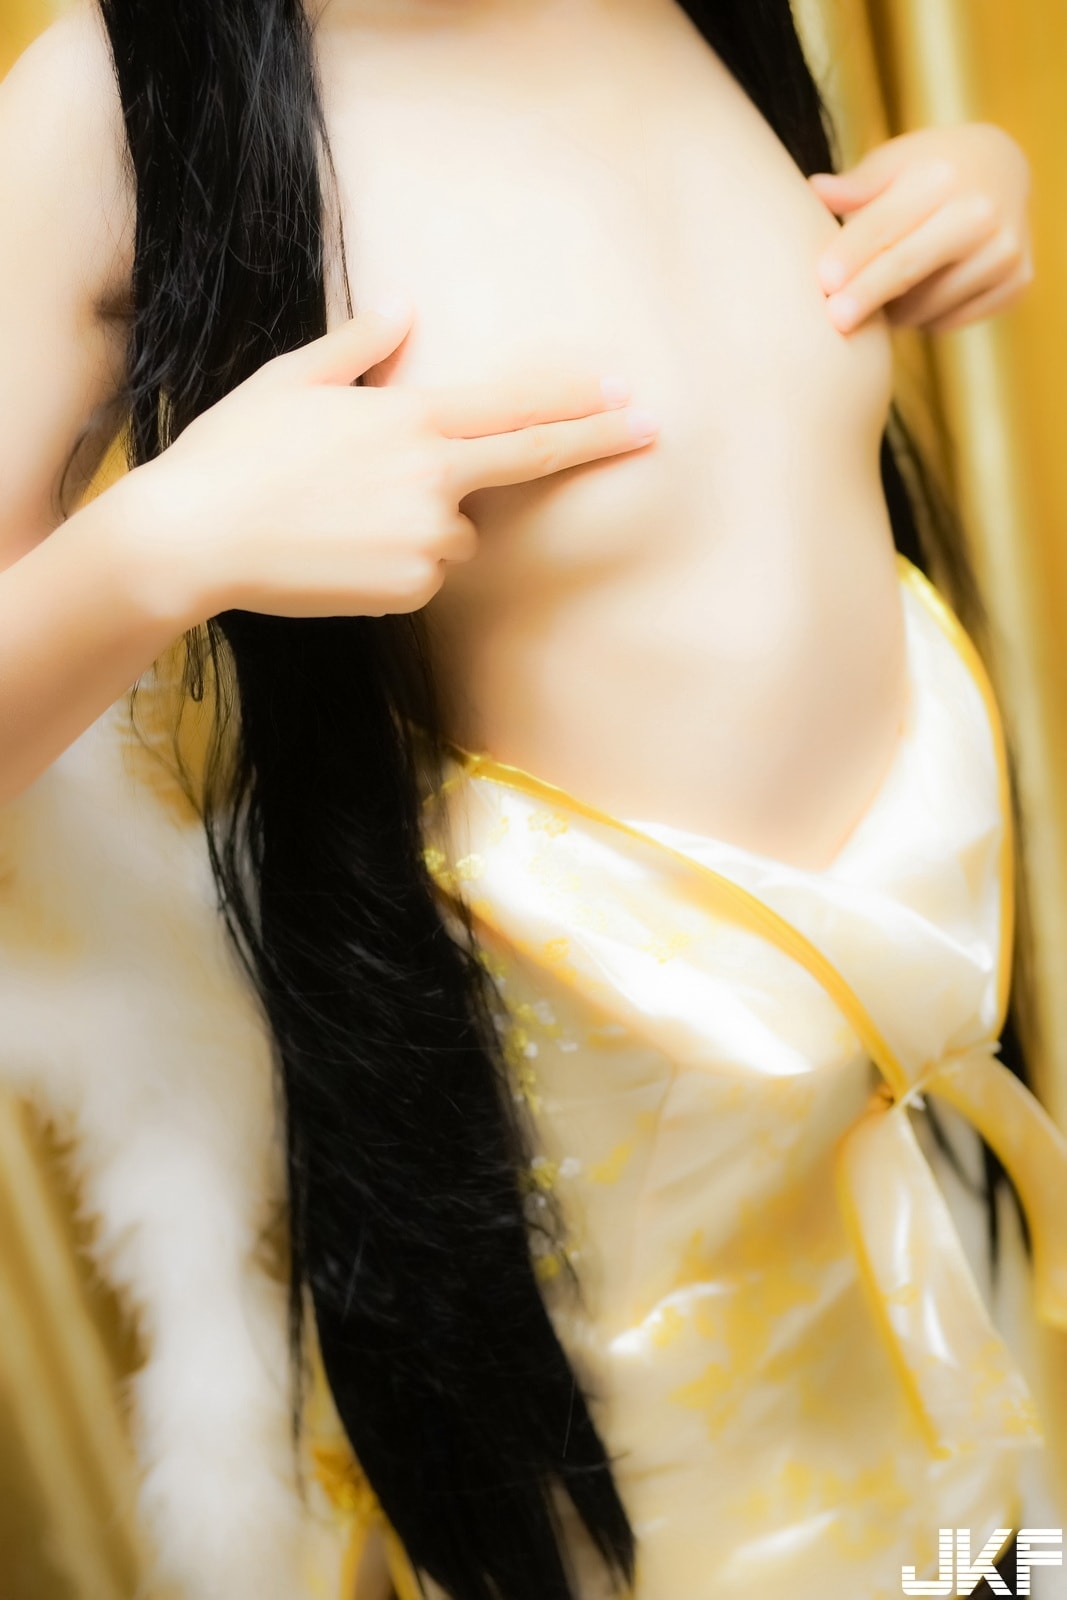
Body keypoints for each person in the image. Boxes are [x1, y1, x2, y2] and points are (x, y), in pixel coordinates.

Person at [0, 1, 1061, 1598]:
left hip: (927, 1126)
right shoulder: (113, 95)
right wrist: (163, 544)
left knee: (993, 1544)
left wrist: (971, 177)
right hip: (602, 1277)